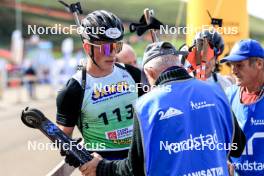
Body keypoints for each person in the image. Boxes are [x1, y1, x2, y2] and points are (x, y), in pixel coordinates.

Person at [79, 41, 246, 176]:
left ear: (150, 73)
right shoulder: (216, 92)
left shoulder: (146, 106)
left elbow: (134, 169)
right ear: (179, 64)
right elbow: (238, 145)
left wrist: (100, 167)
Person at [56, 10, 143, 165]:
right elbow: (62, 139)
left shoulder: (133, 74)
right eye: (106, 48)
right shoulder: (74, 89)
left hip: (138, 161)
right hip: (103, 166)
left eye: (117, 46)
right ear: (87, 48)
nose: (112, 54)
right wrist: (75, 151)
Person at [220, 39, 264, 176]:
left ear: (259, 64)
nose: (233, 71)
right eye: (231, 65)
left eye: (239, 65)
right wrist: (224, 160)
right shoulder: (228, 95)